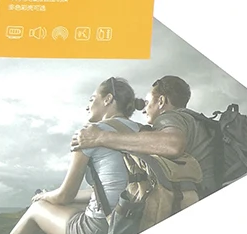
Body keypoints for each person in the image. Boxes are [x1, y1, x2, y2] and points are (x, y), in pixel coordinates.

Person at [0, 78, 143, 234]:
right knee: (64, 208)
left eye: (92, 99)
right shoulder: (142, 133)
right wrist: (54, 197)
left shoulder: (90, 134)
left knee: (37, 209)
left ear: (108, 99)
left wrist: (43, 197)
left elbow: (65, 196)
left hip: (103, 232)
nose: (88, 106)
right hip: (134, 225)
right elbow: (108, 190)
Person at [70, 74, 218, 195]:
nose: (143, 110)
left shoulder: (170, 117)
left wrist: (100, 137)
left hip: (197, 195)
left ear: (161, 101)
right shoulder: (193, 120)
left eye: (147, 103)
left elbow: (172, 145)